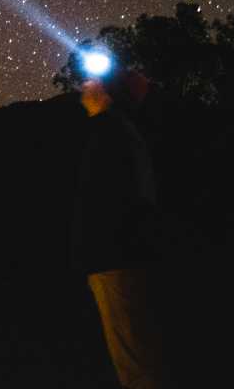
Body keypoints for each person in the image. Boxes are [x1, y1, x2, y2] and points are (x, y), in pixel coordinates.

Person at [72, 67, 177, 388]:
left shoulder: (113, 131)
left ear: (107, 93)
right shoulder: (116, 130)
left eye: (94, 82)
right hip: (118, 256)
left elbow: (119, 196)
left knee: (135, 360)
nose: (84, 85)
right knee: (135, 353)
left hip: (116, 258)